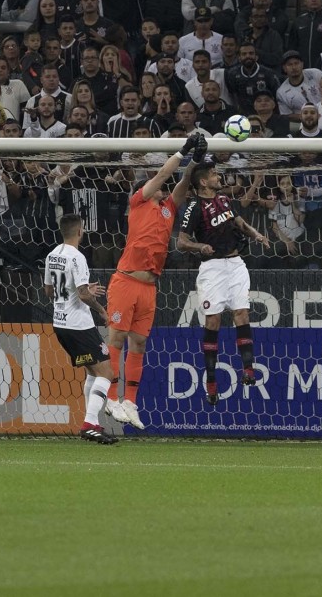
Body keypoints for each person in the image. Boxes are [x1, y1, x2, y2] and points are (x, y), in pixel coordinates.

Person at [104, 133, 206, 429]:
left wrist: (194, 162)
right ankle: (111, 396)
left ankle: (130, 401)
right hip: (125, 282)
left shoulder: (167, 210)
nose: (159, 188)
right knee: (117, 339)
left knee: (139, 343)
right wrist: (183, 150)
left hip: (149, 286)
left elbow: (182, 186)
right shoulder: (139, 201)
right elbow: (163, 175)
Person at [176, 158, 270, 405]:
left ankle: (248, 369)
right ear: (204, 181)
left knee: (242, 314)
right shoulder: (193, 207)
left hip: (237, 264)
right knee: (214, 320)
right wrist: (200, 246)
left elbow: (239, 222)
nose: (219, 177)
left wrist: (257, 234)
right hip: (213, 268)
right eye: (214, 174)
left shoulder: (225, 200)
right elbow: (181, 241)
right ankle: (211, 382)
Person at [43, 214, 117, 444]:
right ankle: (89, 423)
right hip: (79, 325)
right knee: (106, 373)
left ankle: (92, 423)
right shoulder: (78, 257)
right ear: (80, 232)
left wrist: (78, 291)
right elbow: (84, 294)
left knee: (91, 372)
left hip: (60, 323)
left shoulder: (52, 254)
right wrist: (102, 310)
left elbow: (48, 291)